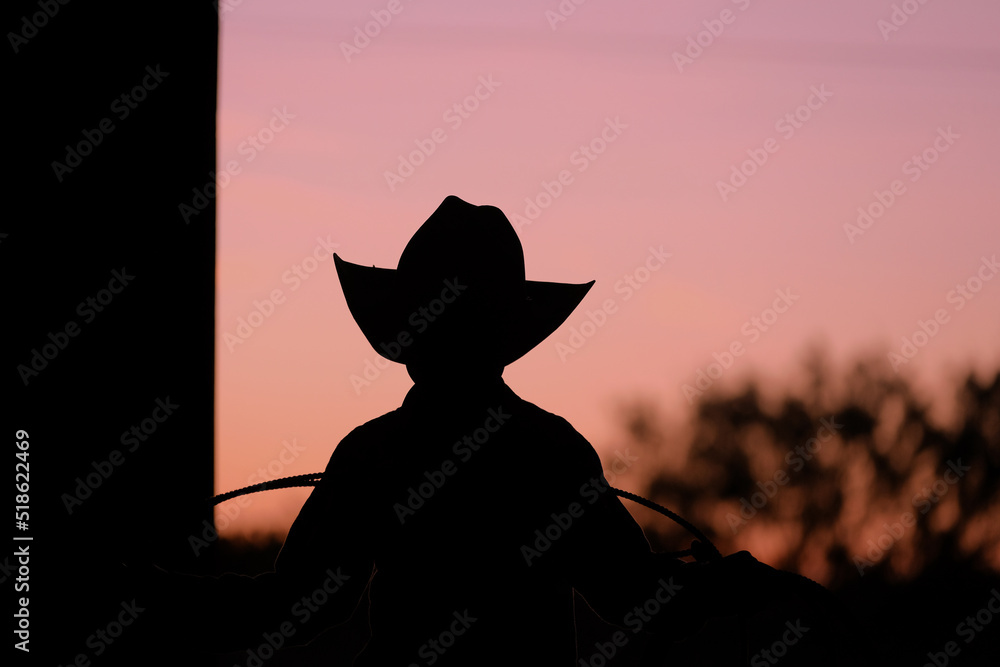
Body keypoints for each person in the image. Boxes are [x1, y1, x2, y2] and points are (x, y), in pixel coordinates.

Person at [141, 196, 772, 666]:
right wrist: (726, 584)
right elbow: (635, 597)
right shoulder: (551, 452)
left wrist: (150, 597)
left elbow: (298, 606)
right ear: (504, 338)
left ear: (408, 334)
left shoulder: (375, 452)